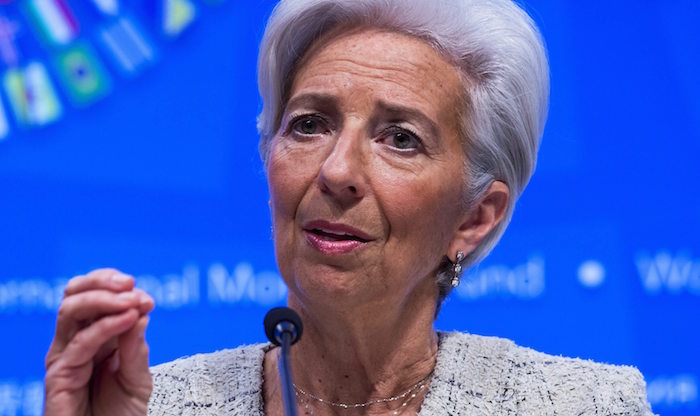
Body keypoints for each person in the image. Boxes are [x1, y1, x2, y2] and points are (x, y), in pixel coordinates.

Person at [44, 0, 656, 415]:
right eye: (309, 124)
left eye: (401, 139)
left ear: (475, 217)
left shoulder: (584, 405)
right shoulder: (151, 407)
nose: (336, 171)